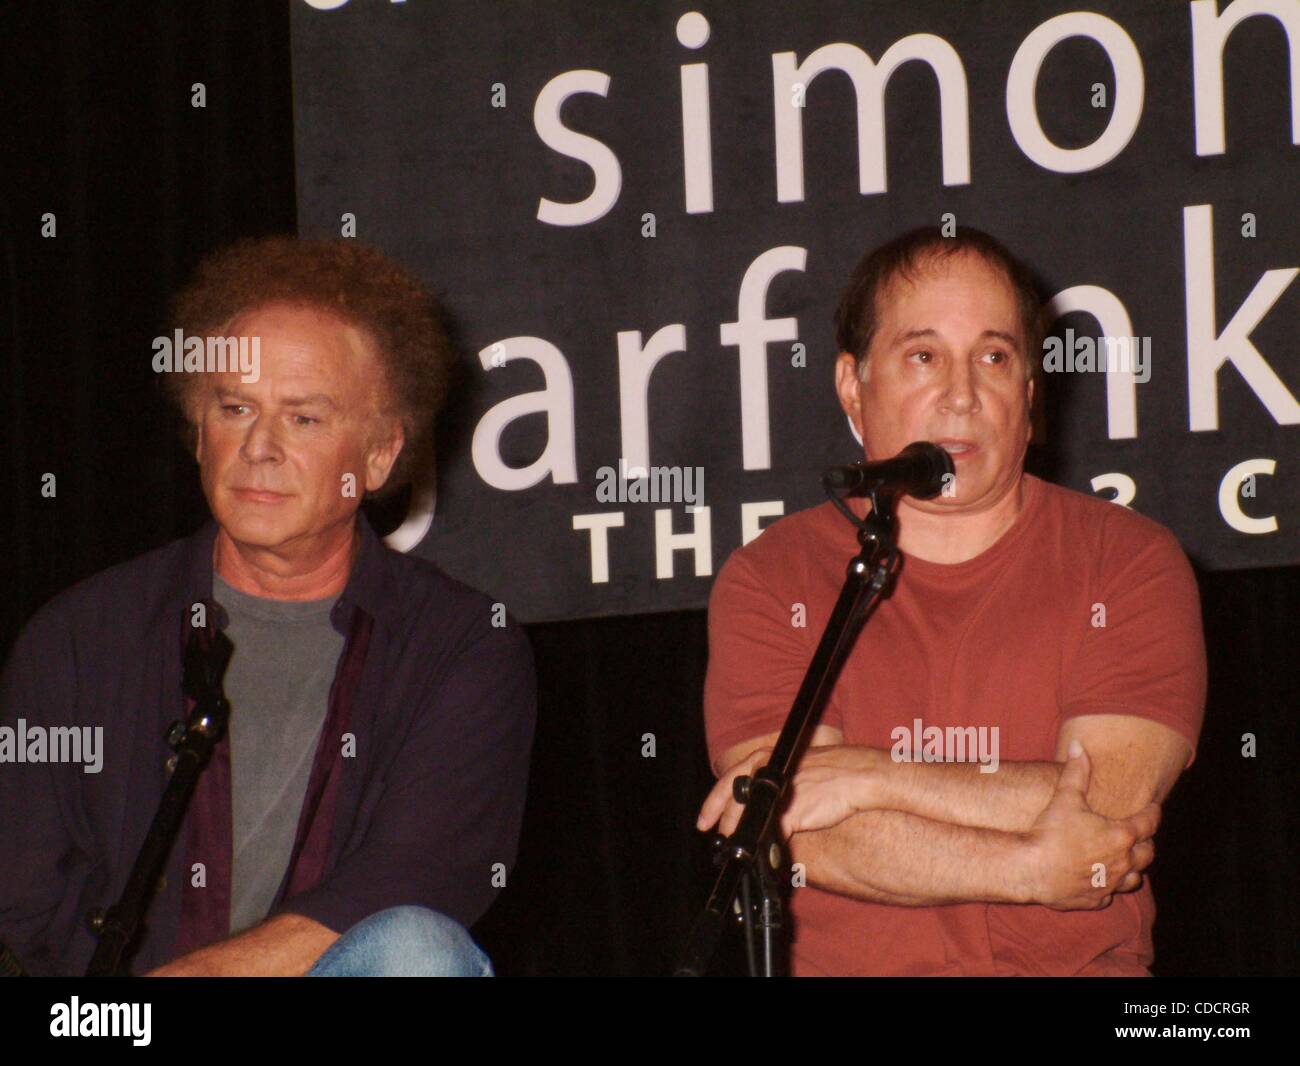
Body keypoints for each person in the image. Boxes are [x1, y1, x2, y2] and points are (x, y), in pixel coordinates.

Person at [0, 237, 536, 976]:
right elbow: (25, 897)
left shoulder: (460, 645)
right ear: (200, 432)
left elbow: (424, 871)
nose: (259, 446)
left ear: (379, 455)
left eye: (304, 418)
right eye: (235, 408)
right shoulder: (78, 638)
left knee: (417, 951)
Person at [697, 227, 1206, 976]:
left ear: (1028, 394)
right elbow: (800, 829)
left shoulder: (1129, 559)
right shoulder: (769, 577)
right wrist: (1030, 869)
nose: (963, 395)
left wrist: (871, 777)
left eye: (994, 358)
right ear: (852, 386)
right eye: (924, 356)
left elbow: (1105, 805)